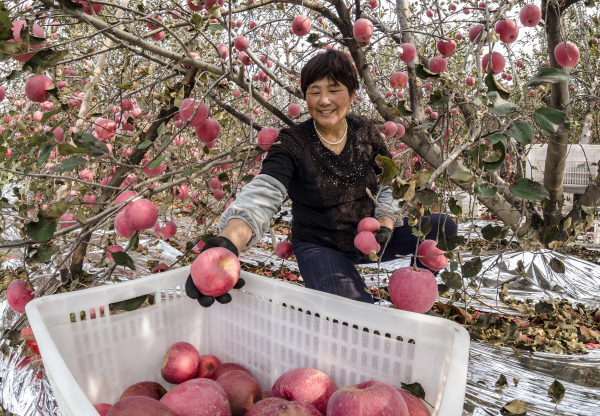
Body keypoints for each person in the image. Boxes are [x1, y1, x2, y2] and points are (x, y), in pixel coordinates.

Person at [186, 50, 457, 307]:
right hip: (321, 246)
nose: (324, 100)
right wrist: (227, 243)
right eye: (314, 92)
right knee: (355, 316)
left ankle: (413, 294)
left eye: (334, 90)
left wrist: (385, 222)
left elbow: (388, 182)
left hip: (370, 237)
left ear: (352, 94)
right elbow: (264, 193)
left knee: (443, 227)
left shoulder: (367, 135)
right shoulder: (293, 142)